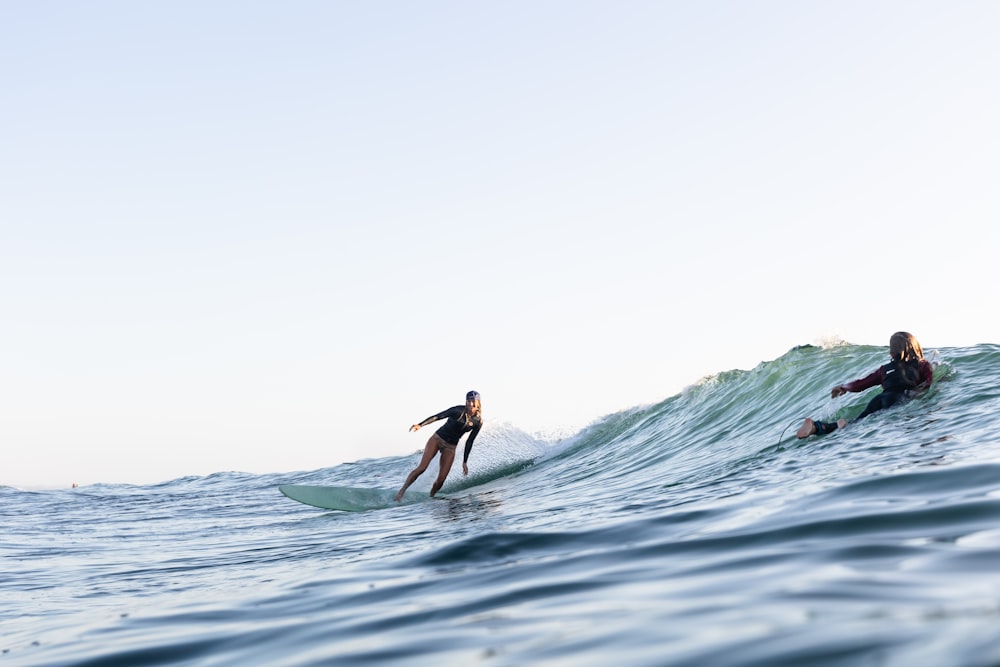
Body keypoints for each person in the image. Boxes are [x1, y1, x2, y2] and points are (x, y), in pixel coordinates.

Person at [797, 332, 934, 438]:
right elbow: (929, 382)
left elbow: (862, 384)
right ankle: (835, 425)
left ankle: (817, 427)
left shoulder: (884, 369)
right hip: (899, 398)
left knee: (858, 420)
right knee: (854, 426)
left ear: (891, 353)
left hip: (879, 399)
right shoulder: (923, 365)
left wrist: (844, 387)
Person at [395, 390, 483, 501]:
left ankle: (431, 497)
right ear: (466, 401)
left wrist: (465, 462)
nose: (471, 404)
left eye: (473, 401)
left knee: (441, 479)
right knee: (422, 468)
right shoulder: (457, 410)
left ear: (478, 403)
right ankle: (401, 492)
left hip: (451, 447)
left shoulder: (477, 422)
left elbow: (470, 441)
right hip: (437, 439)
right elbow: (438, 416)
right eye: (469, 401)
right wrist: (420, 425)